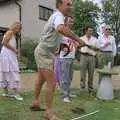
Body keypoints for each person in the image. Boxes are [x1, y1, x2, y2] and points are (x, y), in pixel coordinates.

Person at [30, 0, 85, 119]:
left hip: (46, 52)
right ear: (59, 5)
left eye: (71, 4)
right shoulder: (58, 16)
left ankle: (35, 102)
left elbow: (55, 37)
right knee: (52, 82)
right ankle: (48, 112)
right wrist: (79, 39)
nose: (70, 7)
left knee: (41, 79)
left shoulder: (56, 17)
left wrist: (63, 47)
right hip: (44, 53)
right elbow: (60, 29)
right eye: (68, 4)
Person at [0, 22, 23, 101]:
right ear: (15, 27)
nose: (19, 30)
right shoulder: (10, 32)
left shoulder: (11, 34)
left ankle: (6, 92)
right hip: (7, 54)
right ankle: (15, 93)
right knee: (11, 71)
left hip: (8, 54)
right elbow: (4, 43)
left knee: (8, 70)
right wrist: (14, 50)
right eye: (18, 28)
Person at [60, 16, 77, 103]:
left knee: (69, 77)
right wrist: (63, 48)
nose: (71, 23)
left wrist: (76, 46)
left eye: (72, 22)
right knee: (64, 77)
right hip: (65, 58)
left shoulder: (72, 32)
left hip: (72, 57)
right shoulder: (62, 31)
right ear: (65, 22)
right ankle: (64, 95)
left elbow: (74, 43)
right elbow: (58, 42)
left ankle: (68, 93)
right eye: (70, 21)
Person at [79, 26, 98, 93]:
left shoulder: (95, 39)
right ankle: (82, 87)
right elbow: (78, 47)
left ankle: (90, 89)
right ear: (86, 31)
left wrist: (92, 47)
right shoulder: (81, 38)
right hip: (83, 56)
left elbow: (97, 48)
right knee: (82, 73)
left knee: (91, 73)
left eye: (92, 31)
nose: (91, 32)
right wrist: (83, 46)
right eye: (90, 31)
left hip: (92, 57)